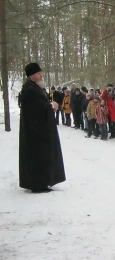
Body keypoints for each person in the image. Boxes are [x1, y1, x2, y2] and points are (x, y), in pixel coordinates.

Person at [19, 63, 66, 193]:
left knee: (42, 156)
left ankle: (43, 181)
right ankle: (38, 184)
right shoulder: (30, 90)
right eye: (39, 73)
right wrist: (51, 106)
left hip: (39, 131)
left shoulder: (35, 89)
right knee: (38, 157)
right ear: (32, 76)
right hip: (36, 133)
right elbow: (36, 110)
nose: (42, 75)